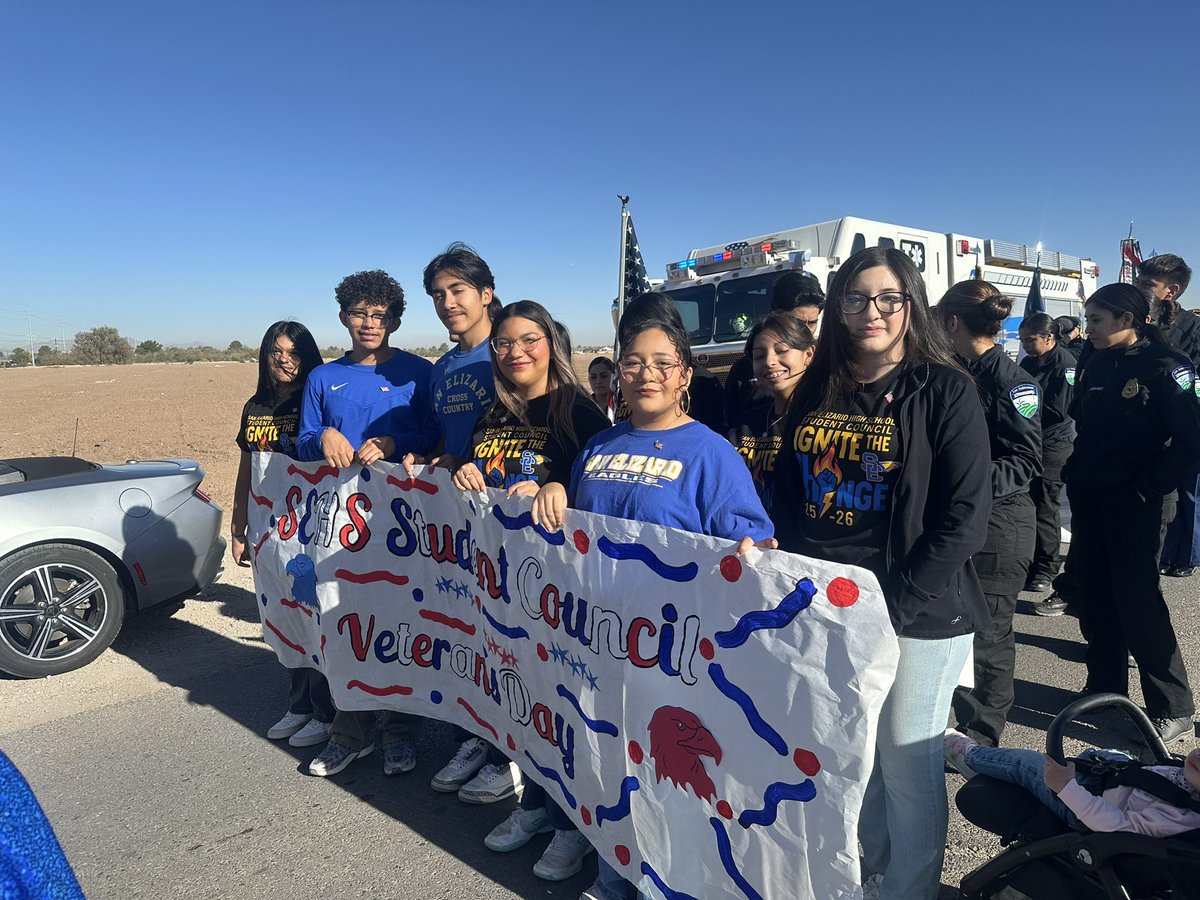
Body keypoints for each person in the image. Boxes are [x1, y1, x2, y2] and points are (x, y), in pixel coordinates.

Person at [534, 296, 775, 900]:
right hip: (597, 638)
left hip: (672, 651)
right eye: (633, 362)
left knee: (664, 775)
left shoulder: (711, 453)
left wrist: (754, 552)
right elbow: (573, 534)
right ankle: (611, 875)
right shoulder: (598, 447)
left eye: (662, 363)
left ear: (684, 375)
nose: (647, 374)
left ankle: (663, 883)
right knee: (605, 760)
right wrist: (552, 488)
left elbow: (753, 541)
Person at [772, 247, 992, 899]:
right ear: (837, 308)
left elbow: (965, 517)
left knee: (906, 767)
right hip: (830, 607)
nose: (872, 311)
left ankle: (909, 891)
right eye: (856, 297)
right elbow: (788, 493)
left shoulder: (945, 389)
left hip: (917, 612)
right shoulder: (817, 388)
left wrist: (892, 610)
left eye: (888, 298)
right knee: (855, 759)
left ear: (910, 306)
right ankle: (873, 874)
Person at [450, 301, 611, 877]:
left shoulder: (579, 412)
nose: (515, 352)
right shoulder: (492, 412)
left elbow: (605, 495)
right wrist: (465, 470)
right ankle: (538, 807)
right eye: (503, 343)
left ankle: (576, 828)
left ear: (551, 344)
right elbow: (476, 468)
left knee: (561, 705)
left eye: (528, 339)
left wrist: (561, 486)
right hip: (499, 583)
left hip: (557, 590)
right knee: (521, 699)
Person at [295, 269, 440, 777]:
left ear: (395, 320)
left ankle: (399, 731)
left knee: (401, 622)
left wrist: (398, 443)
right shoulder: (322, 378)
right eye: (360, 313)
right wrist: (323, 437)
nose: (369, 323)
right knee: (343, 622)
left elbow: (435, 436)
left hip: (404, 524)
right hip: (341, 526)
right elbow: (302, 442)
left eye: (380, 315)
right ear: (344, 317)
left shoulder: (419, 373)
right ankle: (348, 733)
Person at [1064, 282, 1200, 744]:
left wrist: (1149, 487)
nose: (1088, 329)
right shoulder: (1096, 360)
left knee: (1137, 602)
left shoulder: (1168, 366)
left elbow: (1191, 443)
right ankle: (1105, 689)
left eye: (1096, 320)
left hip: (1137, 503)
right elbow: (1085, 423)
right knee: (1095, 597)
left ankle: (1172, 707)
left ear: (1128, 320)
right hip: (1091, 496)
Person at [406, 243, 513, 797]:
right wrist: (414, 452)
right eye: (438, 295)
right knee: (466, 628)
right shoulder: (442, 368)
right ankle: (476, 734)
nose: (447, 303)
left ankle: (512, 753)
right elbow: (438, 436)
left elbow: (545, 422)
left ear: (486, 293)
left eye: (458, 290)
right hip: (457, 521)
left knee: (510, 635)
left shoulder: (511, 351)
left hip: (509, 516)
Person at [937, 281, 1041, 748]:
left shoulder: (1013, 382)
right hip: (959, 522)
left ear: (952, 322)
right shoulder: (952, 373)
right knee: (957, 628)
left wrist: (964, 484)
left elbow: (1024, 460)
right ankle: (957, 722)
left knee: (989, 633)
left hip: (1000, 525)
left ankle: (981, 735)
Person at [230, 321, 332, 748]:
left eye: (294, 352)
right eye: (277, 351)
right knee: (282, 612)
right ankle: (300, 703)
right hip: (268, 526)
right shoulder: (255, 406)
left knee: (313, 615)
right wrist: (238, 523)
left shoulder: (315, 402)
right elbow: (247, 465)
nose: (285, 360)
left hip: (309, 525)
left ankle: (327, 711)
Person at [945, 731, 1200, 839]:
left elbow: (1115, 826)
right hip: (1118, 780)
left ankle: (968, 755)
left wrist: (1066, 787)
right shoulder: (1192, 781)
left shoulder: (1178, 818)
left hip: (1085, 805)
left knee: (1027, 765)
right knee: (1104, 754)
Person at [1139, 254, 1200, 579]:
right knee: (1162, 497)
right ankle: (1166, 549)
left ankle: (1186, 555)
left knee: (1189, 494)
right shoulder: (1140, 321)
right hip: (1149, 426)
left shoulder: (1193, 330)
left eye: (1147, 284)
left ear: (1171, 290)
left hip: (1184, 420)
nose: (1139, 288)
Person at [727, 311, 815, 515]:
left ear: (808, 355)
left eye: (781, 350)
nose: (769, 361)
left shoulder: (826, 423)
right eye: (759, 355)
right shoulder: (745, 425)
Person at [1018, 314, 1076, 594]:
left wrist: (1022, 413)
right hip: (1029, 442)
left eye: (1030, 340)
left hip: (1053, 445)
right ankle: (1029, 562)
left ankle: (1046, 567)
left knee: (1044, 507)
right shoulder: (1029, 363)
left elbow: (1058, 410)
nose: (1025, 346)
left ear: (1049, 338)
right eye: (1023, 341)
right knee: (1026, 507)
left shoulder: (1065, 365)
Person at [724, 270, 825, 424]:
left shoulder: (827, 366)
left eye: (812, 323)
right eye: (797, 322)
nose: (805, 330)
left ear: (809, 355)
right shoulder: (743, 371)